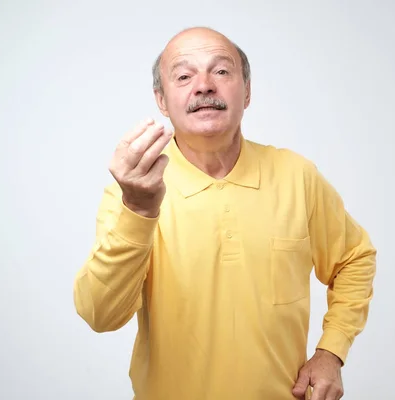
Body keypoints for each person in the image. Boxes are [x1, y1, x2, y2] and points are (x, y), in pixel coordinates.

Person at [73, 26, 376, 400]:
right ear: (162, 101)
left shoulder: (297, 176)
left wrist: (332, 351)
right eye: (184, 76)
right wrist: (139, 210)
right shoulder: (135, 188)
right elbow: (100, 315)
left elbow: (354, 259)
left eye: (221, 71)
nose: (203, 86)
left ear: (247, 91)